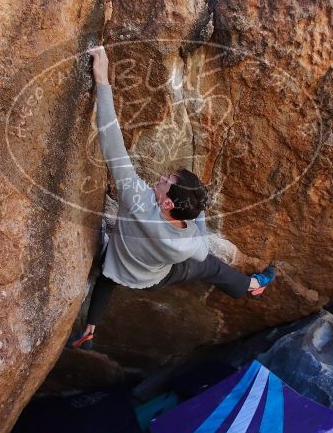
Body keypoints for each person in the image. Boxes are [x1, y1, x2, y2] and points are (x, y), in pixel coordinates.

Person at [68, 46, 276, 350]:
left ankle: (90, 329)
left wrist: (102, 78)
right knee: (213, 268)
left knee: (109, 273)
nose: (161, 178)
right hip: (153, 277)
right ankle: (252, 286)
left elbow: (110, 138)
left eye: (166, 182)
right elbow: (201, 244)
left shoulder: (135, 198)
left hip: (120, 261)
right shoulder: (189, 244)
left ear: (166, 203)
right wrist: (198, 213)